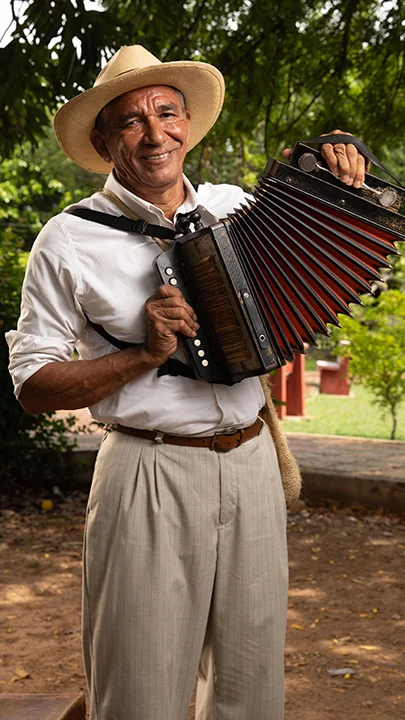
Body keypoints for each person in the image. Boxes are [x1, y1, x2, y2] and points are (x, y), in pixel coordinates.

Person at [6, 45, 368, 720]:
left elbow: (316, 190)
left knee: (250, 686)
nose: (154, 133)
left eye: (166, 113)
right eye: (131, 121)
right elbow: (32, 386)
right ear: (104, 140)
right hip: (148, 470)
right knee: (141, 688)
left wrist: (339, 153)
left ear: (185, 124)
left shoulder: (234, 207)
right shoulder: (68, 240)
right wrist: (143, 355)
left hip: (253, 461)